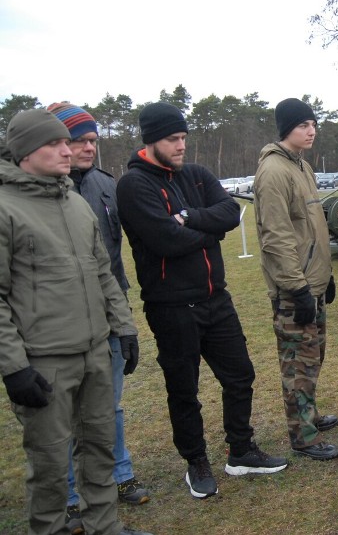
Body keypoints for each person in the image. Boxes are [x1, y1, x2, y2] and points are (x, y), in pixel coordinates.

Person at [116, 102, 287, 500]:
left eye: (183, 138)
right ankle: (196, 462)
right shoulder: (134, 185)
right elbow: (165, 241)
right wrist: (209, 230)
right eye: (173, 139)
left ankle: (241, 450)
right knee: (184, 388)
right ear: (151, 140)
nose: (181, 146)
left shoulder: (194, 174)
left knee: (240, 374)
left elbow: (230, 212)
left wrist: (190, 218)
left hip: (216, 298)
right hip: (171, 307)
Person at [0, 109, 150, 535]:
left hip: (97, 351)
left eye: (69, 143)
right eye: (56, 144)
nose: (69, 150)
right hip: (42, 361)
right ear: (26, 151)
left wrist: (124, 328)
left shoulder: (75, 203)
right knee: (49, 464)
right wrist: (15, 367)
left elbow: (104, 272)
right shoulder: (5, 208)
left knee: (100, 448)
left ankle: (105, 525)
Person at [47, 103, 151, 532]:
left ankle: (119, 474)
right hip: (58, 323)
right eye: (78, 141)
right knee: (65, 414)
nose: (88, 148)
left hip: (110, 310)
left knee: (109, 405)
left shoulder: (108, 187)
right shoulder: (40, 191)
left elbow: (115, 261)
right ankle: (70, 496)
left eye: (93, 140)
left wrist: (125, 322)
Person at [253, 98, 338, 461]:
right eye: (303, 124)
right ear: (286, 128)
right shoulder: (274, 171)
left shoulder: (301, 166)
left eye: (313, 124)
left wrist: (326, 275)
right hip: (295, 290)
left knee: (312, 357)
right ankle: (302, 435)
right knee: (297, 364)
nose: (311, 130)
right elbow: (276, 237)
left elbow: (311, 227)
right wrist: (298, 287)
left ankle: (310, 416)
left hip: (313, 283)